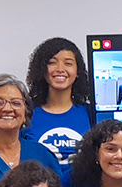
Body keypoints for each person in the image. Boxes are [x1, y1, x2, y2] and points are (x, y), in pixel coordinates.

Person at [25, 37, 94, 168]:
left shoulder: (91, 113)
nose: (60, 69)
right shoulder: (26, 112)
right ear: (42, 70)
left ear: (77, 72)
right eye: (52, 63)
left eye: (68, 63)